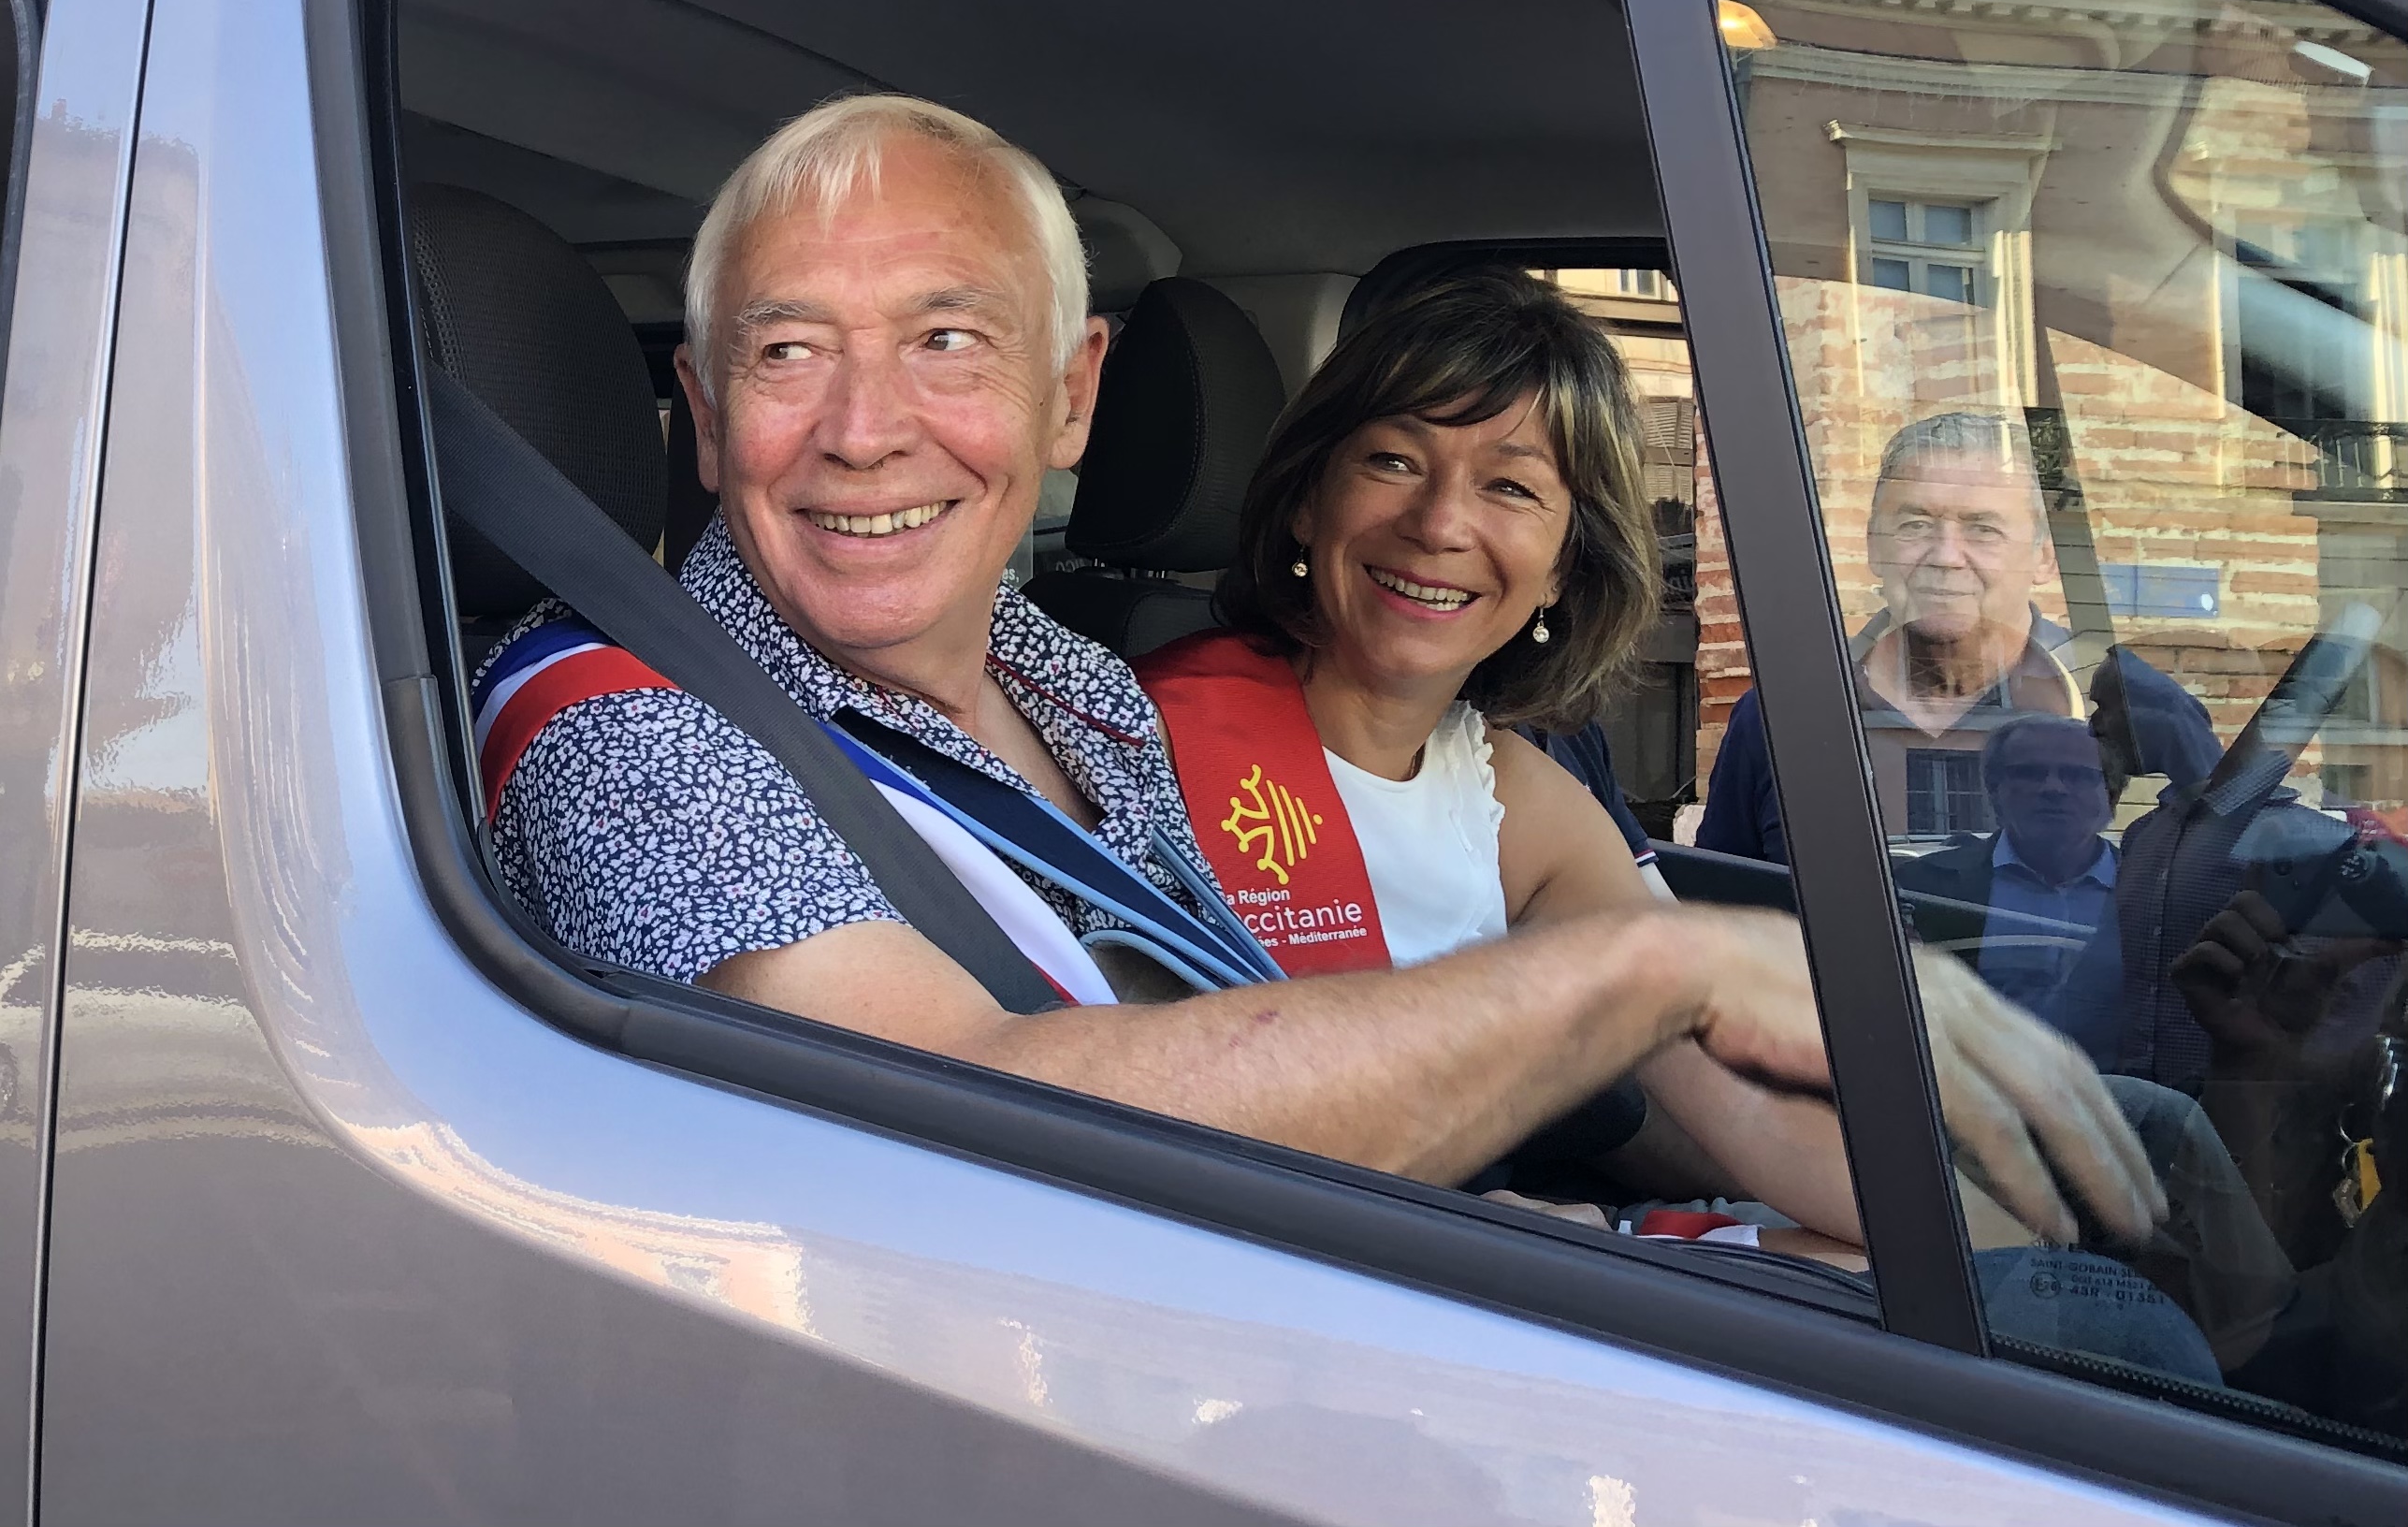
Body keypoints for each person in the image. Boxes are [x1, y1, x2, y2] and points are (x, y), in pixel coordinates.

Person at [480, 91, 2159, 1243]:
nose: (860, 430)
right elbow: (979, 1137)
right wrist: (1642, 977)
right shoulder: (620, 726)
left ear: (1070, 399)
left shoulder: (1066, 682)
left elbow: (1206, 1036)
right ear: (702, 420)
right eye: (786, 355)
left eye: (945, 343)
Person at [1131, 269, 2139, 1249]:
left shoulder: (1512, 798)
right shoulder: (1137, 741)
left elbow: (1742, 1103)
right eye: (1393, 461)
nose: (1439, 523)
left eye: (1511, 487)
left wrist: (2018, 1259)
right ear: (1308, 501)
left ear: (1567, 565)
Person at [1697, 411, 2215, 863]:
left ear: (2043, 557)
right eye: (1916, 524)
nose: (1945, 556)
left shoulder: (2131, 708)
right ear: (1874, 547)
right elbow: (1723, 920)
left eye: (1982, 528)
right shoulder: (1786, 717)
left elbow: (2203, 892)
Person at [1893, 713, 2126, 1065]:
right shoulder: (1921, 887)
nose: (2053, 788)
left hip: (2126, 1100)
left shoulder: (2152, 887)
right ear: (1994, 791)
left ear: (2111, 795)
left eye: (2076, 775)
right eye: (2030, 773)